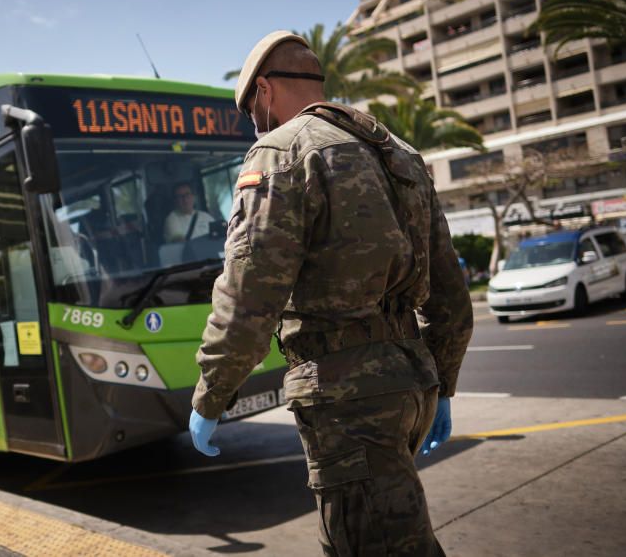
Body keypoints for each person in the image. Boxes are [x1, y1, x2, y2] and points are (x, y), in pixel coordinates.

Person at [189, 31, 473, 555]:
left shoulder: (280, 151)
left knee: (376, 546)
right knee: (381, 536)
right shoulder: (400, 154)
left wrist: (212, 392)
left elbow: (250, 292)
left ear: (266, 91)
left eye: (251, 108)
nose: (254, 123)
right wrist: (443, 383)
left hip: (345, 397)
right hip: (411, 381)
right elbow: (451, 296)